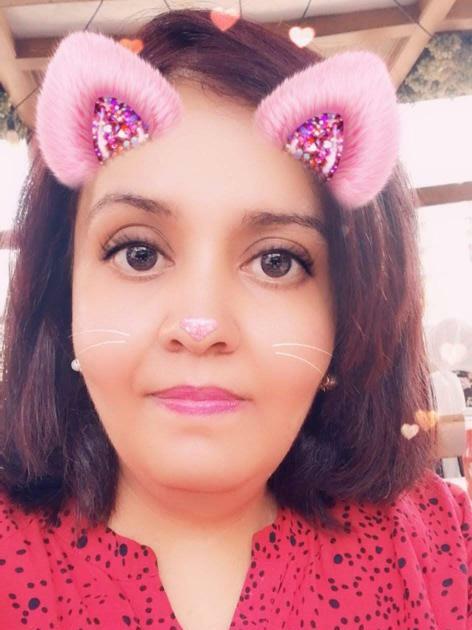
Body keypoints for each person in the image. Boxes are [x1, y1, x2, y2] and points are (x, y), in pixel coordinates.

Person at [0, 8, 470, 630]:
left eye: (277, 261)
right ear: (63, 295)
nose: (201, 324)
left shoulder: (444, 546)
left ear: (350, 310)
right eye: (139, 253)